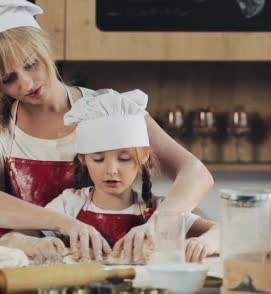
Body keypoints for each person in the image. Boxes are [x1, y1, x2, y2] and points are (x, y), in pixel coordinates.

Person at [0, 0, 214, 263]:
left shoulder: (109, 108)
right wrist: (64, 222)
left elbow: (196, 173)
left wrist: (159, 224)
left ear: (45, 49)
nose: (26, 84)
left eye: (31, 64)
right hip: (23, 269)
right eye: (8, 79)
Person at [40, 89, 219, 263]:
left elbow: (224, 233)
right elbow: (18, 237)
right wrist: (38, 244)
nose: (111, 170)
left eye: (124, 159)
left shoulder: (157, 210)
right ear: (83, 159)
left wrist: (204, 243)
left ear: (143, 157)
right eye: (98, 159)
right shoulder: (68, 205)